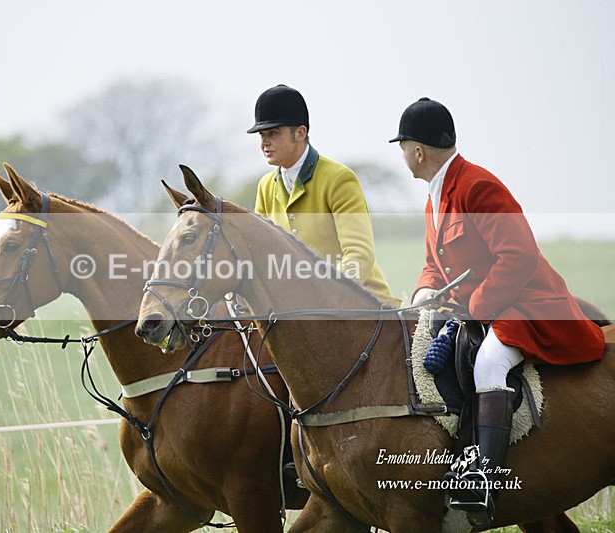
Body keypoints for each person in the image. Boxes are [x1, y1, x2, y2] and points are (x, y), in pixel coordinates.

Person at [389, 97, 605, 522]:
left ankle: (484, 477)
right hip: (479, 307)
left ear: (418, 151)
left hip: (524, 304)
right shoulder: (436, 198)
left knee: (490, 361)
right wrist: (421, 299)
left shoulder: (477, 186)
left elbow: (518, 257)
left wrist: (475, 307)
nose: (403, 156)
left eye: (403, 148)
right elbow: (435, 265)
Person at [248, 84, 398, 304]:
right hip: (300, 310)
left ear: (300, 133)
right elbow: (261, 255)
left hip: (363, 305)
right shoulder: (265, 186)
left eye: (273, 133)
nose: (264, 143)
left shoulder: (339, 179)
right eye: (262, 135)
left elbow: (359, 255)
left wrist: (319, 297)